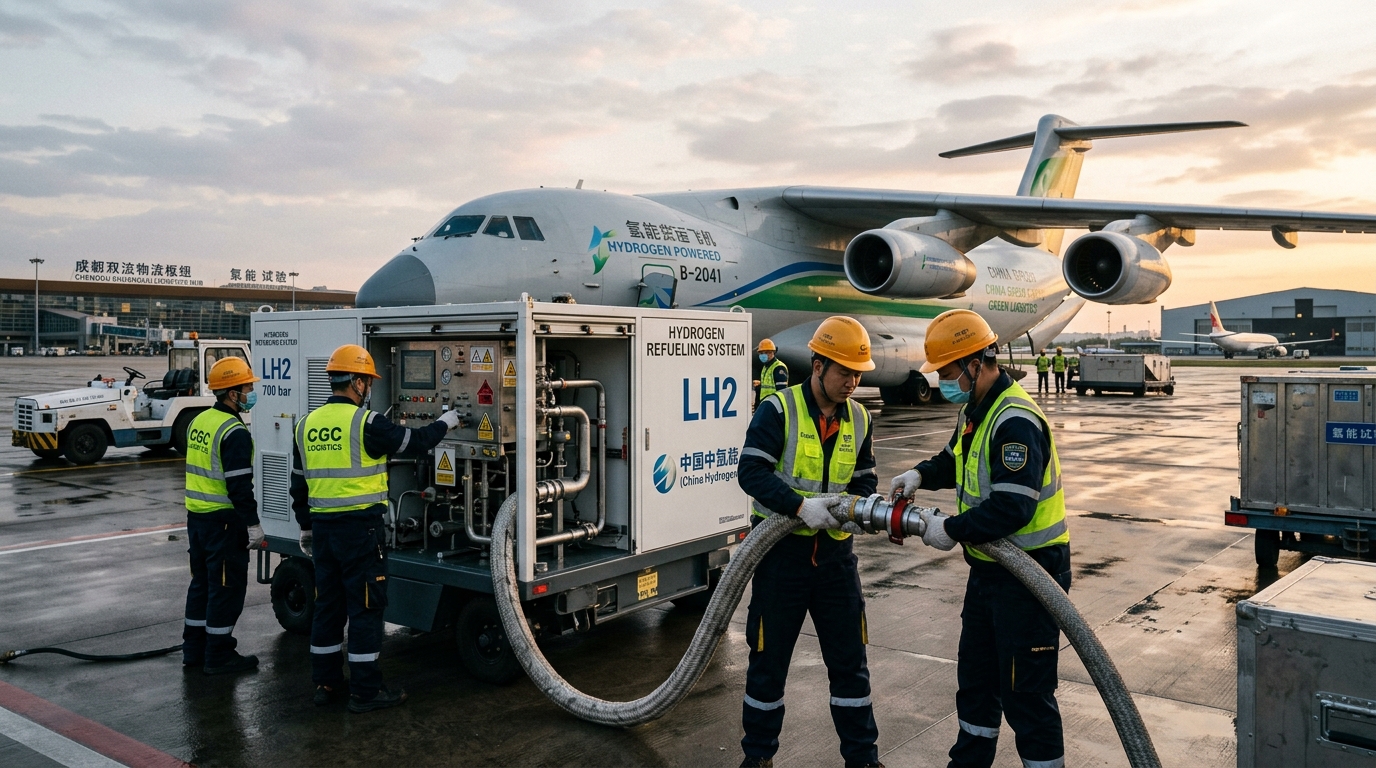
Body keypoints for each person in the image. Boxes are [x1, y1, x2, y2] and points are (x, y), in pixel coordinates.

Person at [889, 309, 1070, 768]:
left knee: (1026, 694)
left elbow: (1013, 507)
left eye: (949, 374)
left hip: (1031, 577)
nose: (945, 383)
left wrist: (948, 529)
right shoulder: (975, 411)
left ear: (976, 363)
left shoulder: (1014, 421)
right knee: (977, 681)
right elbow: (953, 460)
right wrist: (919, 474)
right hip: (990, 573)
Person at [737, 316, 881, 768]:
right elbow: (751, 472)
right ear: (818, 365)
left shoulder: (859, 417)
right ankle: (758, 758)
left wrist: (859, 511)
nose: (852, 383)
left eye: (858, 374)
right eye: (844, 372)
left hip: (836, 562)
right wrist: (799, 507)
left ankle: (862, 759)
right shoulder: (779, 410)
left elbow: (864, 479)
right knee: (768, 666)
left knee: (850, 666)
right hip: (782, 559)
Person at [291, 344, 461, 713]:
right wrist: (447, 421)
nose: (368, 388)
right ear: (356, 382)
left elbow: (298, 485)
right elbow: (415, 443)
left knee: (328, 608)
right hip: (360, 532)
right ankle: (366, 692)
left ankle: (325, 683)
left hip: (322, 532)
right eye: (367, 381)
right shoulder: (366, 423)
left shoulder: (304, 425)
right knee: (366, 608)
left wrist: (305, 527)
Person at [183, 357, 264, 675]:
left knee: (201, 585)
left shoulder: (199, 421)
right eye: (247, 387)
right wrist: (253, 526)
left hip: (197, 520)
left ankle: (194, 651)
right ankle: (218, 655)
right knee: (226, 590)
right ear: (231, 393)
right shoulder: (234, 432)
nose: (250, 392)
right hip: (224, 523)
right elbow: (240, 488)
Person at [754, 338, 789, 406]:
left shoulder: (779, 367)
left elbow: (781, 390)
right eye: (761, 353)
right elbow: (768, 386)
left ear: (772, 352)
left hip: (774, 405)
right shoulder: (765, 367)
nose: (762, 355)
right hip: (765, 404)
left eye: (766, 352)